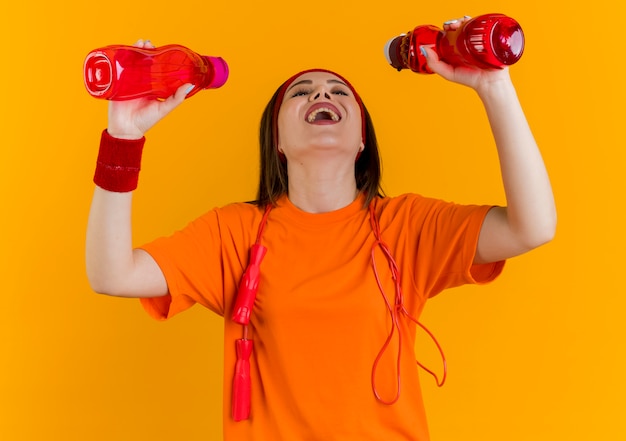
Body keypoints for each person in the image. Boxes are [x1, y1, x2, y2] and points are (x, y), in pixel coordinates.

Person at [86, 18, 556, 441]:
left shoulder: (407, 227)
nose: (321, 96)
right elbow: (112, 275)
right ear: (277, 140)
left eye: (337, 92)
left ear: (361, 140)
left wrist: (496, 88)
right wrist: (123, 139)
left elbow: (532, 227)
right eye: (302, 92)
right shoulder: (233, 233)